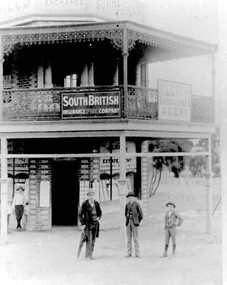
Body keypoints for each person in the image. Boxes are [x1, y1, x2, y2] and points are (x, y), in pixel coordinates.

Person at [78, 190, 102, 260]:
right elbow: (80, 215)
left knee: (93, 240)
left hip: (95, 224)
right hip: (88, 225)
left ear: (94, 195)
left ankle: (90, 255)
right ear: (87, 196)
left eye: (92, 195)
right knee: (89, 240)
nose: (91, 196)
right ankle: (87, 256)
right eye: (89, 195)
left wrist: (98, 218)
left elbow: (100, 213)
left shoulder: (96, 203)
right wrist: (83, 224)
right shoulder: (84, 204)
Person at [125, 191, 143, 258]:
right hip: (128, 223)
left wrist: (137, 221)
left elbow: (141, 215)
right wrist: (128, 221)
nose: (130, 199)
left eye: (131, 197)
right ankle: (129, 253)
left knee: (136, 238)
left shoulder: (137, 204)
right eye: (129, 197)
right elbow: (125, 214)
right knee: (129, 239)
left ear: (133, 198)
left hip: (135, 223)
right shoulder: (127, 205)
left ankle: (137, 253)